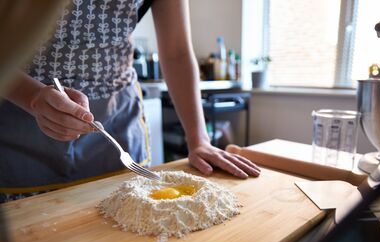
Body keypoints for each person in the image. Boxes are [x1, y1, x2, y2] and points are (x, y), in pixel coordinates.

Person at [0, 0, 260, 202]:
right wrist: (32, 96)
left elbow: (177, 52)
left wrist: (199, 139)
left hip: (117, 123)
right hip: (17, 125)